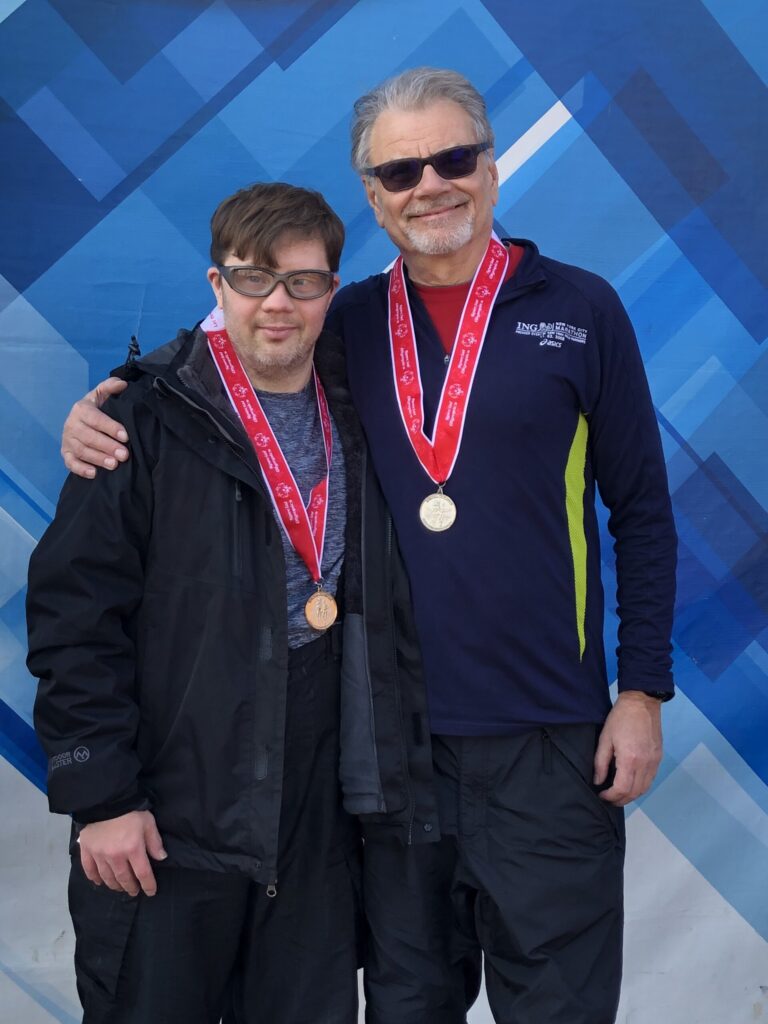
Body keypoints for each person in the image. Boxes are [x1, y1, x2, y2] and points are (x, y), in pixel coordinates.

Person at [56, 68, 677, 1024]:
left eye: (452, 158)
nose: (430, 185)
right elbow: (232, 357)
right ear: (374, 196)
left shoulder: (581, 311)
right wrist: (106, 407)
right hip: (387, 759)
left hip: (549, 742)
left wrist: (641, 691)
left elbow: (640, 510)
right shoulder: (342, 322)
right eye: (399, 171)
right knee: (403, 1008)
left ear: (491, 163)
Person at [26, 181, 434, 1024]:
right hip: (173, 822)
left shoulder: (365, 411)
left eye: (303, 282)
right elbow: (74, 621)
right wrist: (103, 799)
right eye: (253, 279)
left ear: (332, 289)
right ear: (217, 286)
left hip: (319, 825)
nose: (277, 303)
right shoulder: (142, 420)